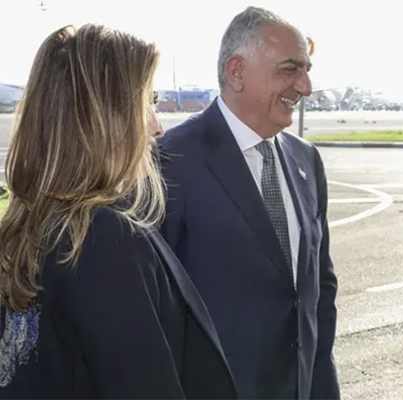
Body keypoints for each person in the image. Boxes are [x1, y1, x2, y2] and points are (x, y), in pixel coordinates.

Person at [0, 24, 238, 400]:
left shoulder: (34, 225)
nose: (157, 127)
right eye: (147, 104)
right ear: (102, 119)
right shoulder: (101, 238)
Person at [158, 6, 340, 400]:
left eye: (307, 70)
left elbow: (320, 292)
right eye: (290, 70)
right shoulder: (171, 161)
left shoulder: (306, 159)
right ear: (237, 71)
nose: (306, 86)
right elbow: (153, 315)